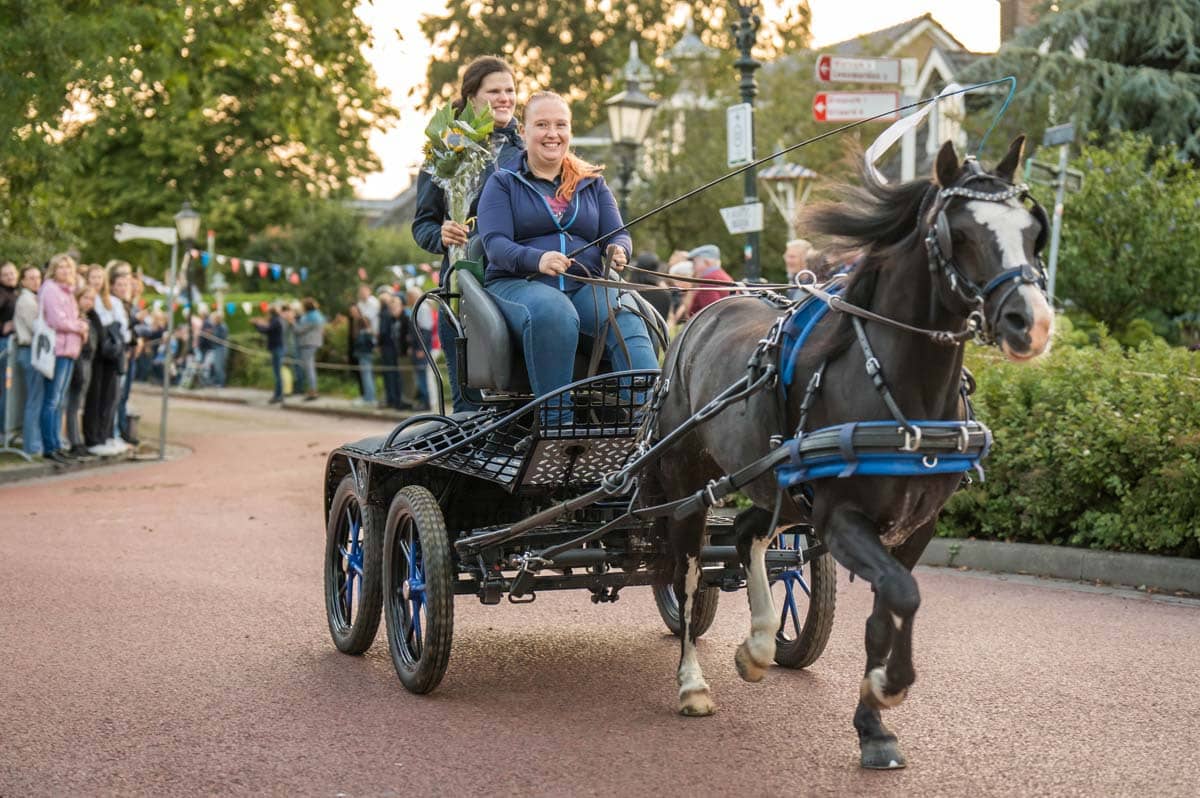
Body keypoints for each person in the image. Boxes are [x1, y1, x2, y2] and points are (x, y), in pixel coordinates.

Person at [476, 90, 657, 413]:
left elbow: (618, 234)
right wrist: (538, 258)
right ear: (524, 131)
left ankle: (647, 423)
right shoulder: (503, 183)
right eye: (542, 124)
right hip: (520, 283)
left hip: (581, 285)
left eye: (561, 125)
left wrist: (618, 249)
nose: (552, 133)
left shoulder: (592, 183)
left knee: (627, 320)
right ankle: (556, 424)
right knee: (554, 311)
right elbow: (496, 246)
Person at [413, 55, 524, 413]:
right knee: (471, 407)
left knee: (518, 401)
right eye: (495, 91)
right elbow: (422, 224)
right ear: (472, 96)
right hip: (464, 293)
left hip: (519, 283)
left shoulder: (529, 152)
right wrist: (441, 234)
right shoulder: (444, 150)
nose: (505, 98)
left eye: (510, 90)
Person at [39, 253, 89, 464]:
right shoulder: (50, 289)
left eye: (69, 268)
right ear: (53, 270)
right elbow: (57, 320)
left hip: (70, 350)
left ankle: (57, 444)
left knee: (59, 400)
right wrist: (80, 327)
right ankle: (49, 445)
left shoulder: (68, 292)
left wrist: (80, 325)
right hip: (56, 350)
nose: (65, 271)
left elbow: (72, 318)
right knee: (51, 399)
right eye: (61, 267)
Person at [84, 260, 131, 455]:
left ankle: (105, 435)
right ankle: (93, 437)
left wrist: (118, 341)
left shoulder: (114, 302)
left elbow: (124, 329)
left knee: (111, 397)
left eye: (99, 277)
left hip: (112, 354)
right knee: (94, 396)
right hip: (95, 355)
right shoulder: (87, 299)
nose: (96, 281)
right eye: (92, 277)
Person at [12, 265, 44, 457]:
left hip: (33, 351)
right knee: (34, 400)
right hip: (29, 350)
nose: (35, 281)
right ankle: (31, 445)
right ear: (23, 281)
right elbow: (36, 327)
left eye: (38, 277)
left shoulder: (33, 298)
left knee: (35, 398)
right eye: (31, 278)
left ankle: (33, 441)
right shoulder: (26, 301)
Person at [65, 285, 99, 457]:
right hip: (78, 364)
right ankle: (73, 441)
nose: (88, 302)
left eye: (92, 299)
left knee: (78, 405)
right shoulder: (76, 319)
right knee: (71, 405)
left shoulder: (88, 318)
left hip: (87, 364)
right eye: (85, 298)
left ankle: (77, 440)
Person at [377, 293, 411, 410]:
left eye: (395, 306)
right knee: (394, 376)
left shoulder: (405, 318)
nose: (392, 309)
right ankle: (396, 400)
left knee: (400, 377)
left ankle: (400, 401)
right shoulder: (392, 318)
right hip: (394, 350)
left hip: (399, 352)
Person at [406, 287, 434, 411]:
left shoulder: (422, 308)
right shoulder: (416, 308)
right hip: (417, 347)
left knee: (422, 375)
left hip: (421, 348)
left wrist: (422, 348)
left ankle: (425, 402)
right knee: (419, 375)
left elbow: (426, 330)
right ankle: (422, 400)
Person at [292, 298, 325, 401]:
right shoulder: (317, 315)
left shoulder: (311, 318)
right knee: (310, 368)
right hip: (313, 343)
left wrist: (292, 322)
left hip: (308, 344)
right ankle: (312, 390)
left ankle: (313, 391)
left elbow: (299, 330)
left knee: (309, 368)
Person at [252, 303, 286, 403]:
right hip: (276, 348)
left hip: (277, 348)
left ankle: (278, 395)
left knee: (277, 373)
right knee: (277, 373)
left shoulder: (275, 321)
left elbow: (266, 330)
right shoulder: (275, 320)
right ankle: (278, 394)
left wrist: (256, 325)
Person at [0, 260, 18, 438]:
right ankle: (3, 430)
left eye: (12, 273)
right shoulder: (2, 294)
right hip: (5, 346)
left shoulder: (16, 293)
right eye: (5, 274)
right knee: (5, 388)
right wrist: (2, 327)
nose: (10, 277)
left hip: (13, 345)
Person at [348, 304, 376, 406]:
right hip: (363, 354)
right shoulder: (362, 328)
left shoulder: (363, 329)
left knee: (367, 376)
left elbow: (366, 341)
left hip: (364, 354)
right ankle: (368, 397)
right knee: (366, 376)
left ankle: (370, 399)